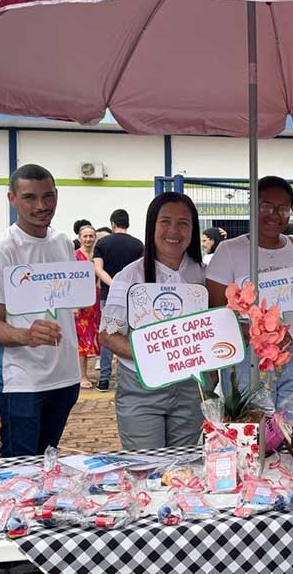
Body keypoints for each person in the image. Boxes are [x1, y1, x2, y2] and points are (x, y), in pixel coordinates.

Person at [0, 164, 81, 457]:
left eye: (48, 197)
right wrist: (27, 335)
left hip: (65, 376)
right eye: (29, 198)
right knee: (20, 468)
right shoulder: (0, 251)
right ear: (12, 199)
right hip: (23, 381)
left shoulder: (63, 243)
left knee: (48, 462)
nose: (41, 206)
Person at [99, 192, 206, 449]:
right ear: (151, 226)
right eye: (165, 221)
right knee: (146, 469)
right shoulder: (129, 276)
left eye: (183, 223)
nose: (174, 230)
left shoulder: (204, 274)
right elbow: (107, 335)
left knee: (186, 467)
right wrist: (153, 353)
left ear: (193, 229)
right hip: (140, 388)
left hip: (190, 388)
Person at [206, 176, 293, 411]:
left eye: (283, 208)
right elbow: (216, 315)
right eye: (265, 206)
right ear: (252, 206)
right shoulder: (229, 250)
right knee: (255, 431)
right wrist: (258, 334)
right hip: (249, 356)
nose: (274, 214)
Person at [92, 209, 143, 391]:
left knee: (109, 335)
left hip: (109, 296)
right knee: (132, 336)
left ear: (112, 224)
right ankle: (135, 375)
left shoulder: (102, 243)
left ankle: (104, 379)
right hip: (136, 297)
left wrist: (115, 285)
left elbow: (98, 269)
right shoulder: (138, 244)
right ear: (127, 224)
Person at [74, 225, 101, 389]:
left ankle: (100, 373)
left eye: (91, 236)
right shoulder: (75, 256)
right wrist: (74, 305)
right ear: (79, 238)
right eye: (85, 236)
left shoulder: (98, 256)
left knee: (97, 338)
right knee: (82, 341)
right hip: (81, 302)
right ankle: (82, 375)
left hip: (96, 301)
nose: (88, 239)